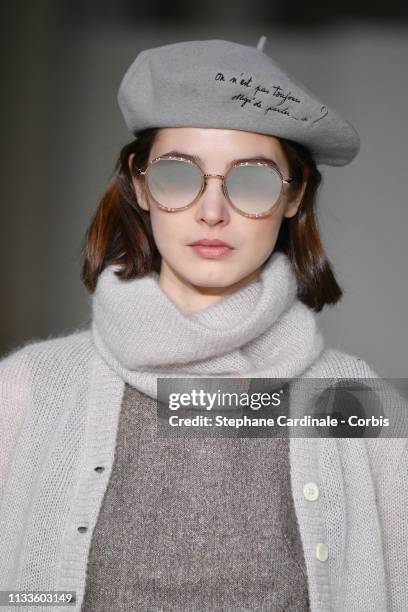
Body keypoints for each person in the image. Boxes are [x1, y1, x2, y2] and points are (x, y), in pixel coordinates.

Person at [0, 35, 407, 612]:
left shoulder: (361, 404)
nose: (211, 211)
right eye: (176, 175)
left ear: (295, 195)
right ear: (140, 185)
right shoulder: (24, 392)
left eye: (254, 179)